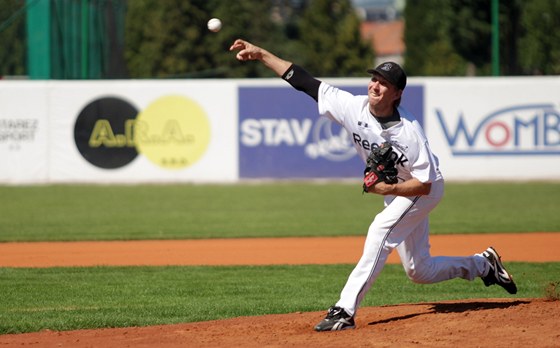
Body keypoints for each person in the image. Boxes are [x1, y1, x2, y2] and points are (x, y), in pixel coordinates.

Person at [229, 39, 518, 332]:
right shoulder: (353, 107)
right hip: (401, 190)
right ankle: (484, 265)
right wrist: (262, 55)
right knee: (419, 271)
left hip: (422, 190)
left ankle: (344, 309)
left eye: (384, 83)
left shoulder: (409, 132)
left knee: (380, 230)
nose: (375, 86)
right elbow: (304, 82)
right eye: (374, 79)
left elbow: (426, 185)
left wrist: (386, 189)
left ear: (397, 94)